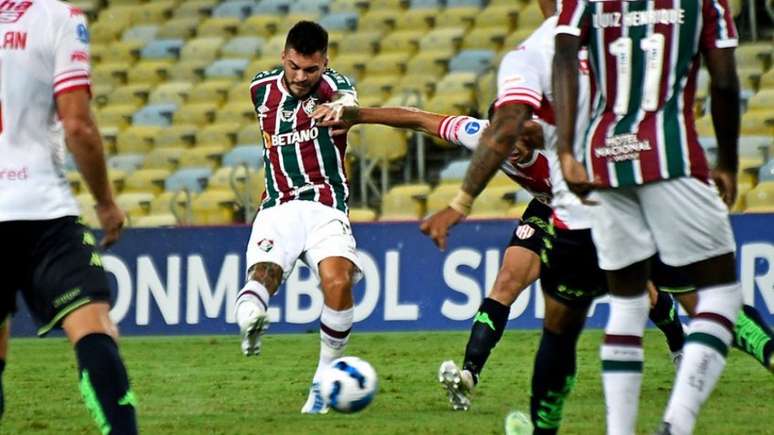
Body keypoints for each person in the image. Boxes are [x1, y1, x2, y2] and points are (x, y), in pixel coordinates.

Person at [553, 0, 743, 433]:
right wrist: (728, 162)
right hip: (668, 151)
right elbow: (726, 81)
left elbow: (563, 56)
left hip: (601, 153)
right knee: (721, 296)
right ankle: (677, 423)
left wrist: (565, 149)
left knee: (627, 302)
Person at [0, 1, 137, 433]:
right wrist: (105, 203)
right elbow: (78, 126)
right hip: (42, 207)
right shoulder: (60, 17)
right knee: (93, 326)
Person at [233, 21, 361, 415]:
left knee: (338, 282)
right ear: (283, 58)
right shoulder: (260, 89)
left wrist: (338, 107)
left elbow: (347, 99)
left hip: (326, 205)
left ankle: (322, 384)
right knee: (264, 276)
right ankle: (251, 321)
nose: (302, 77)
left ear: (325, 63)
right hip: (278, 205)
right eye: (294, 67)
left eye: (312, 69)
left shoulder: (335, 87)